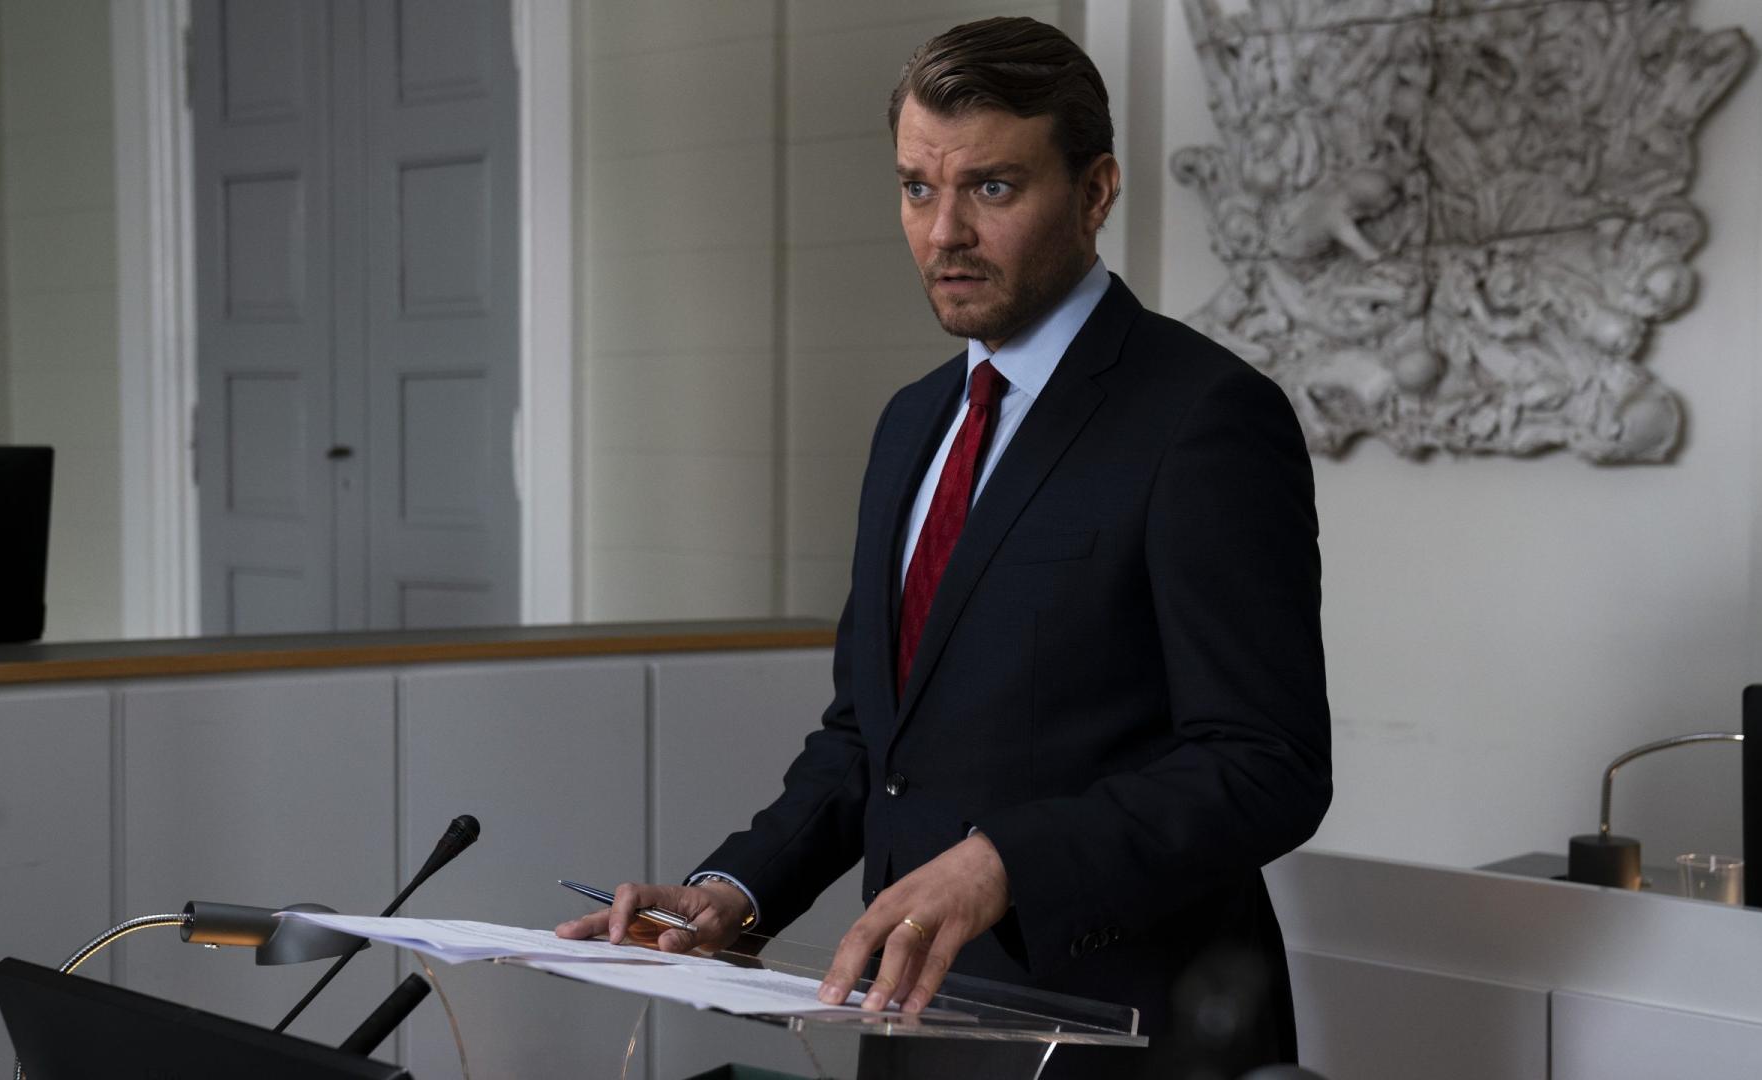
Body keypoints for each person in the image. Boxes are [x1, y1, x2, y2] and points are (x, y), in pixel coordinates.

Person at [559, 16, 1331, 1075]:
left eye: (992, 187)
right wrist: (737, 890)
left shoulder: (1206, 418)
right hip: (908, 1022)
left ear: (1096, 191)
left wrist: (1010, 861)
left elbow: (1267, 764)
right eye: (918, 188)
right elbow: (870, 739)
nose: (945, 232)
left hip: (1121, 1034)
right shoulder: (912, 421)